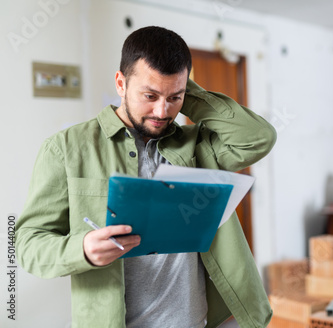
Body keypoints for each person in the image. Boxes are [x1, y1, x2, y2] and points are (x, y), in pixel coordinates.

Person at [16, 26, 276, 328]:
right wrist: (82, 249)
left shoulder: (198, 144)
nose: (162, 111)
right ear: (120, 83)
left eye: (175, 98)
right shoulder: (65, 149)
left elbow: (258, 138)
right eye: (149, 95)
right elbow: (27, 243)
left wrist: (187, 93)